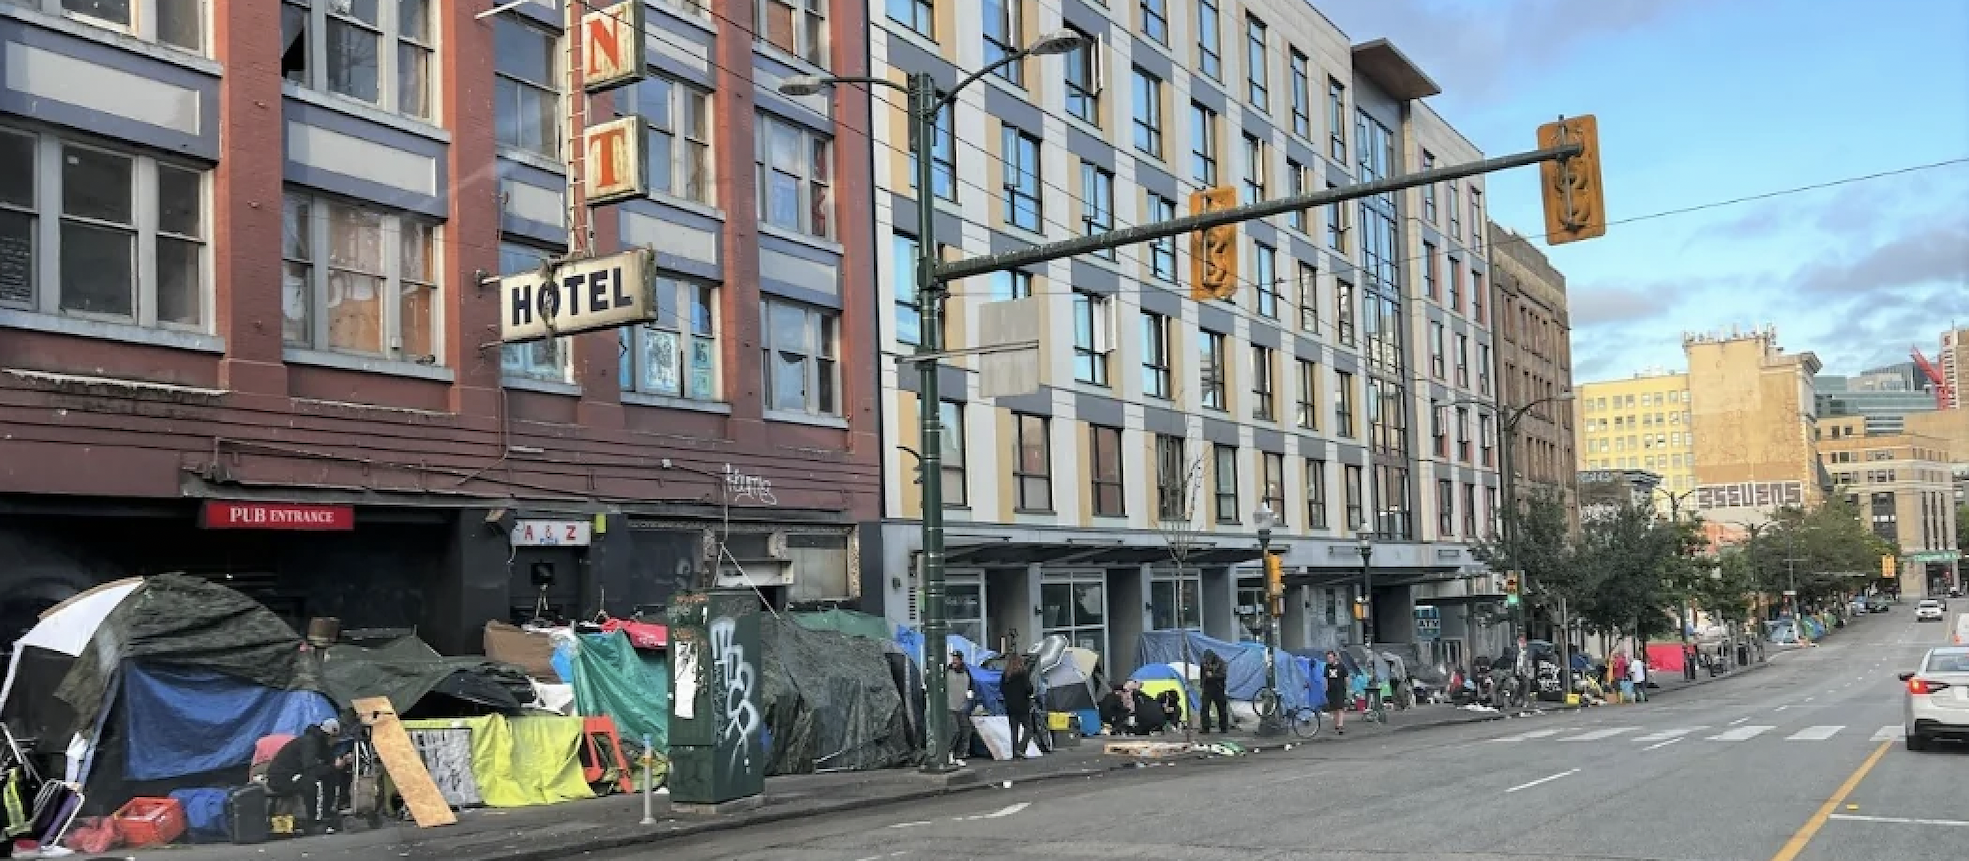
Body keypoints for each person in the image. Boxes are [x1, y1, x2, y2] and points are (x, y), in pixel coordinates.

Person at [265, 717, 348, 835]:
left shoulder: (320, 743)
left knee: (330, 777)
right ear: (329, 735)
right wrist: (333, 767)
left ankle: (327, 813)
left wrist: (339, 762)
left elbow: (328, 761)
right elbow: (311, 768)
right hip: (281, 777)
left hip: (295, 774)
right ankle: (315, 821)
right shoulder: (310, 743)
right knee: (314, 783)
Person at [945, 651, 979, 767]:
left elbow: (972, 686)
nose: (953, 661)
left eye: (956, 659)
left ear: (961, 660)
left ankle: (959, 755)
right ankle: (949, 753)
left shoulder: (967, 672)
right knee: (954, 730)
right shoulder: (946, 671)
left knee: (965, 731)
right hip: (949, 706)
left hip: (962, 707)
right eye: (952, 658)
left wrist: (970, 696)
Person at [1000, 653, 1036, 759]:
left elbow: (1002, 689)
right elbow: (1028, 688)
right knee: (1029, 729)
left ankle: (1015, 753)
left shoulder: (1005, 675)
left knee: (1014, 731)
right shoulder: (1022, 674)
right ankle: (1021, 748)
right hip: (1022, 706)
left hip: (1010, 706)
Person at [1198, 650, 1231, 734]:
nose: (1207, 661)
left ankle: (1224, 727)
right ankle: (1205, 728)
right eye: (1206, 659)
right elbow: (1202, 674)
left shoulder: (1221, 663)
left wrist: (1213, 676)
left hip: (1218, 688)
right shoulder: (1203, 663)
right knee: (1204, 708)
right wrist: (1202, 685)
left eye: (1208, 659)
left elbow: (1223, 675)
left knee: (1221, 708)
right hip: (1207, 688)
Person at [1322, 651, 1348, 736]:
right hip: (1331, 690)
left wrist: (1346, 687)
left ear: (1334, 657)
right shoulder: (1327, 667)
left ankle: (1340, 725)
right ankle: (1337, 724)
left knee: (1340, 707)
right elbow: (1325, 678)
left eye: (1330, 657)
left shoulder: (1342, 666)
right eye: (1328, 658)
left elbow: (1346, 677)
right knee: (1334, 709)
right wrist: (1325, 688)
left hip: (1340, 689)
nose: (1329, 659)